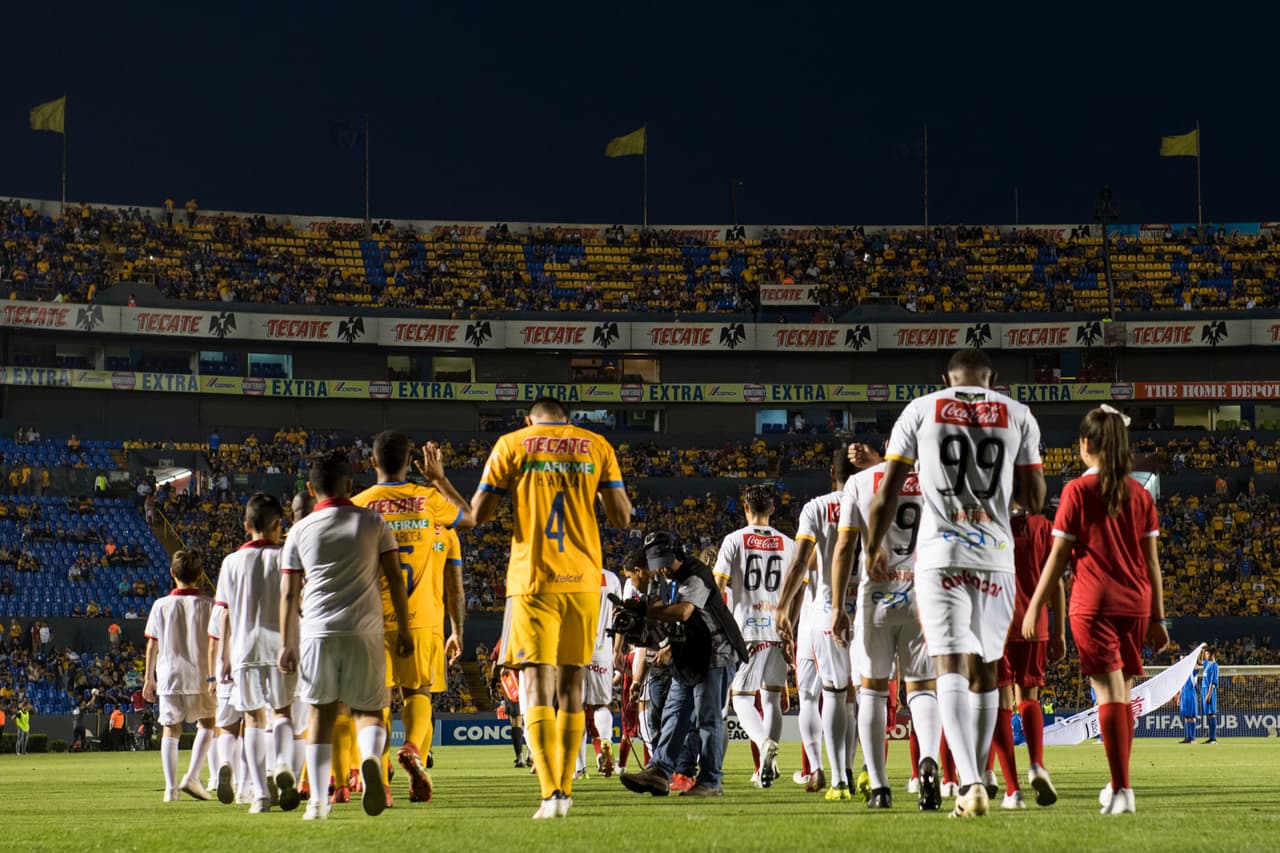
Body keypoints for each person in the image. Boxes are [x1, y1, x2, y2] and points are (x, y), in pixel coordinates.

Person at [860, 348, 1045, 819]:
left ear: (946, 377)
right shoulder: (1019, 414)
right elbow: (1035, 498)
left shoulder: (921, 409)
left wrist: (872, 546)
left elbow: (886, 491)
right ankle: (977, 777)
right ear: (992, 378)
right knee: (986, 669)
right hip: (996, 556)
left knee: (948, 667)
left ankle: (967, 781)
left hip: (940, 555)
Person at [471, 396, 631, 819]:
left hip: (532, 582)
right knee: (572, 691)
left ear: (529, 420)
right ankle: (565, 789)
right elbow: (622, 519)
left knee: (537, 689)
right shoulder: (596, 445)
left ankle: (552, 794)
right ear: (568, 420)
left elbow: (479, 514)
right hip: (583, 583)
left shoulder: (512, 444)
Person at [1023, 404, 1169, 816]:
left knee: (1107, 694)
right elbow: (1153, 563)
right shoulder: (1141, 495)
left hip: (1094, 602)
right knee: (1121, 693)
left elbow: (1057, 558)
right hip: (1136, 604)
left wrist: (1036, 607)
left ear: (1086, 445)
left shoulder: (1076, 491)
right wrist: (1159, 617)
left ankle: (1123, 790)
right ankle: (1118, 781)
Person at [278, 452, 413, 821]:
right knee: (369, 710)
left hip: (317, 632)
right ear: (350, 485)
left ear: (310, 489)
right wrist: (402, 627)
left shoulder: (300, 531)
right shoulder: (373, 521)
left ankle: (319, 802)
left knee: (321, 714)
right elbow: (395, 578)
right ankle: (370, 760)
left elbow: (289, 594)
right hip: (366, 630)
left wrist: (287, 643)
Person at [352, 430, 476, 804]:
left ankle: (381, 775)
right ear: (410, 463)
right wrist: (439, 479)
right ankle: (413, 749)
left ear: (372, 463)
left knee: (375, 702)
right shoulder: (428, 500)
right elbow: (469, 518)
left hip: (370, 620)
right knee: (418, 693)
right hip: (421, 619)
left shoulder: (358, 506)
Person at [620, 531, 748, 798]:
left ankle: (711, 780)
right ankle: (659, 771)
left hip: (717, 652)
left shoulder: (696, 573)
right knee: (674, 713)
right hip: (689, 653)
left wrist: (647, 611)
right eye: (657, 563)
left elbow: (684, 611)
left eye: (666, 560)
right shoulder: (667, 579)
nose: (663, 567)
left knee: (708, 718)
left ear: (678, 554)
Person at [777, 446, 856, 799]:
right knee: (854, 696)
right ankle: (852, 771)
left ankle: (820, 769)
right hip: (857, 610)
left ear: (831, 474)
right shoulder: (871, 501)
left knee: (811, 697)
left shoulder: (816, 507)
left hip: (816, 618)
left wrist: (782, 609)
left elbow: (800, 563)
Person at [215, 493, 298, 813]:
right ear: (279, 524)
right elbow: (296, 603)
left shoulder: (230, 562)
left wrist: (224, 656)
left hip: (244, 649)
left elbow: (225, 614)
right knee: (282, 713)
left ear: (247, 525)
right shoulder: (287, 558)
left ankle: (260, 794)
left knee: (252, 718)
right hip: (280, 646)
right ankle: (282, 764)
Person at [715, 484, 796, 789]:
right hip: (779, 627)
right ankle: (766, 766)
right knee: (772, 697)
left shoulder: (734, 540)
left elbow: (718, 585)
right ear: (772, 509)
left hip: (747, 628)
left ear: (745, 508)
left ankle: (764, 744)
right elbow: (798, 588)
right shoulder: (788, 544)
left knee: (742, 699)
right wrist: (790, 626)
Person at [143, 549, 218, 801]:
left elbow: (152, 644)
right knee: (208, 724)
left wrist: (148, 680)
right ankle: (193, 775)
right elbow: (214, 643)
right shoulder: (209, 604)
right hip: (201, 674)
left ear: (171, 574)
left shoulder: (160, 605)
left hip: (169, 675)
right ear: (199, 574)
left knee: (170, 730)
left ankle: (170, 789)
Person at [581, 568, 623, 778]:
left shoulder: (571, 574)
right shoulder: (612, 578)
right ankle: (606, 739)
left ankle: (578, 768)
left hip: (576, 649)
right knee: (601, 705)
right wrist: (617, 650)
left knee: (575, 708)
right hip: (602, 649)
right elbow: (620, 615)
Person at [206, 598, 247, 804]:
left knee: (225, 728)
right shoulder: (252, 598)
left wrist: (212, 678)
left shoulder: (218, 610)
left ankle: (224, 763)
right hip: (248, 667)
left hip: (223, 675)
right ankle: (244, 786)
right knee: (251, 726)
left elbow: (212, 647)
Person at [1201, 648, 1219, 744]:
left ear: (1212, 655)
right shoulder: (1207, 663)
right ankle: (1210, 737)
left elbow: (1213, 682)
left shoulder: (1214, 665)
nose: (1205, 656)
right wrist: (1202, 651)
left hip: (1210, 691)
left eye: (1207, 654)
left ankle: (1214, 738)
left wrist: (1209, 694)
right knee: (1208, 715)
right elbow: (1200, 661)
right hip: (1204, 690)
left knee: (1212, 714)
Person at [1178, 667, 1200, 744]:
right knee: (1186, 717)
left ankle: (1193, 738)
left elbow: (1196, 669)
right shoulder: (1182, 674)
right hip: (1184, 696)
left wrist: (1194, 664)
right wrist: (1179, 698)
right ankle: (1188, 737)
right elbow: (1181, 687)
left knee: (1192, 717)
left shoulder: (1191, 672)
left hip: (1190, 695)